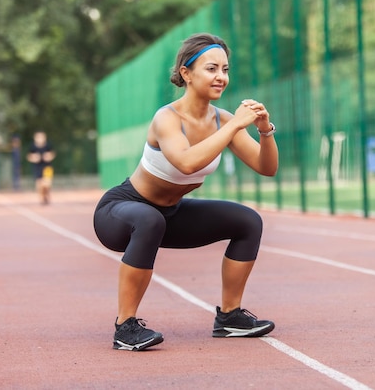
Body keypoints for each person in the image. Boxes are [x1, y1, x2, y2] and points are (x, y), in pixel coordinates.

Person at [93, 33, 279, 351]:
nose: (221, 77)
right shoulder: (167, 118)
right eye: (211, 68)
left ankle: (230, 317)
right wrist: (234, 127)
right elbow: (186, 163)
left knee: (248, 221)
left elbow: (267, 167)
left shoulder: (223, 120)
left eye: (225, 69)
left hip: (170, 214)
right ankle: (125, 327)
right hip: (121, 211)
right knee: (149, 219)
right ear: (186, 73)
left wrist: (263, 130)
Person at [26, 130, 55, 204]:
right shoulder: (33, 146)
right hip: (37, 167)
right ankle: (42, 198)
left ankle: (46, 194)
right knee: (39, 185)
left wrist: (48, 157)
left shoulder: (48, 145)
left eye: (42, 137)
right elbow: (29, 156)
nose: (40, 139)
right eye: (38, 137)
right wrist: (34, 158)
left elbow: (52, 154)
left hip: (47, 167)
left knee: (47, 184)